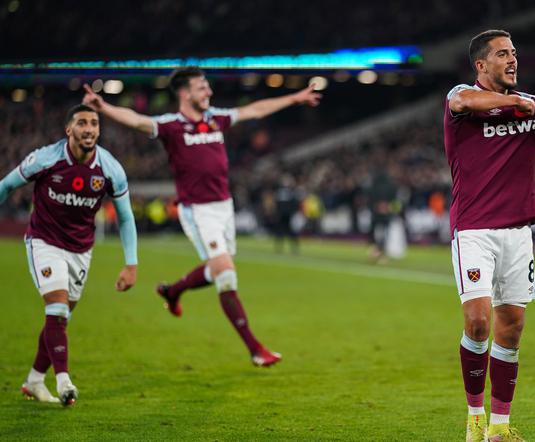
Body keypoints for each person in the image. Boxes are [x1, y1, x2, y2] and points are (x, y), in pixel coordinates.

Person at [83, 67, 321, 367]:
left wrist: (296, 97)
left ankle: (173, 291)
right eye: (201, 87)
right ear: (184, 93)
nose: (208, 92)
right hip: (197, 209)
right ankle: (255, 349)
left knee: (217, 268)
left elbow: (254, 110)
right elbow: (138, 121)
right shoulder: (171, 125)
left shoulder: (216, 119)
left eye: (207, 87)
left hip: (225, 207)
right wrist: (104, 107)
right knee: (225, 272)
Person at [444, 30, 535, 441]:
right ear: (481, 65)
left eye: (514, 52)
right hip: (473, 230)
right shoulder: (462, 97)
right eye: (502, 54)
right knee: (478, 322)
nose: (512, 59)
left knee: (511, 328)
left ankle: (499, 428)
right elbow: (464, 101)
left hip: (517, 232)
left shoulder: (528, 108)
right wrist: (516, 102)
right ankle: (474, 418)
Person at [0, 104, 138, 406]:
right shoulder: (46, 158)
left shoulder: (110, 168)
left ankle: (34, 381)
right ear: (69, 130)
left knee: (59, 321)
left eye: (94, 123)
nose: (89, 128)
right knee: (58, 311)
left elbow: (126, 218)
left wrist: (131, 264)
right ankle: (64, 382)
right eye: (82, 123)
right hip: (44, 242)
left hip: (81, 250)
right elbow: (7, 185)